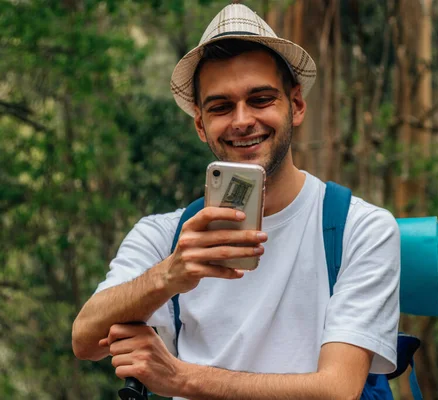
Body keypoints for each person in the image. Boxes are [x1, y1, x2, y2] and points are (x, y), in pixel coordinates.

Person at [72, 4, 400, 399]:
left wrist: (181, 379)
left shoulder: (359, 228)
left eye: (260, 99)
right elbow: (85, 339)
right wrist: (168, 276)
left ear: (295, 105)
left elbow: (338, 390)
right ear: (200, 125)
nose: (242, 120)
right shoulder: (163, 235)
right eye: (221, 106)